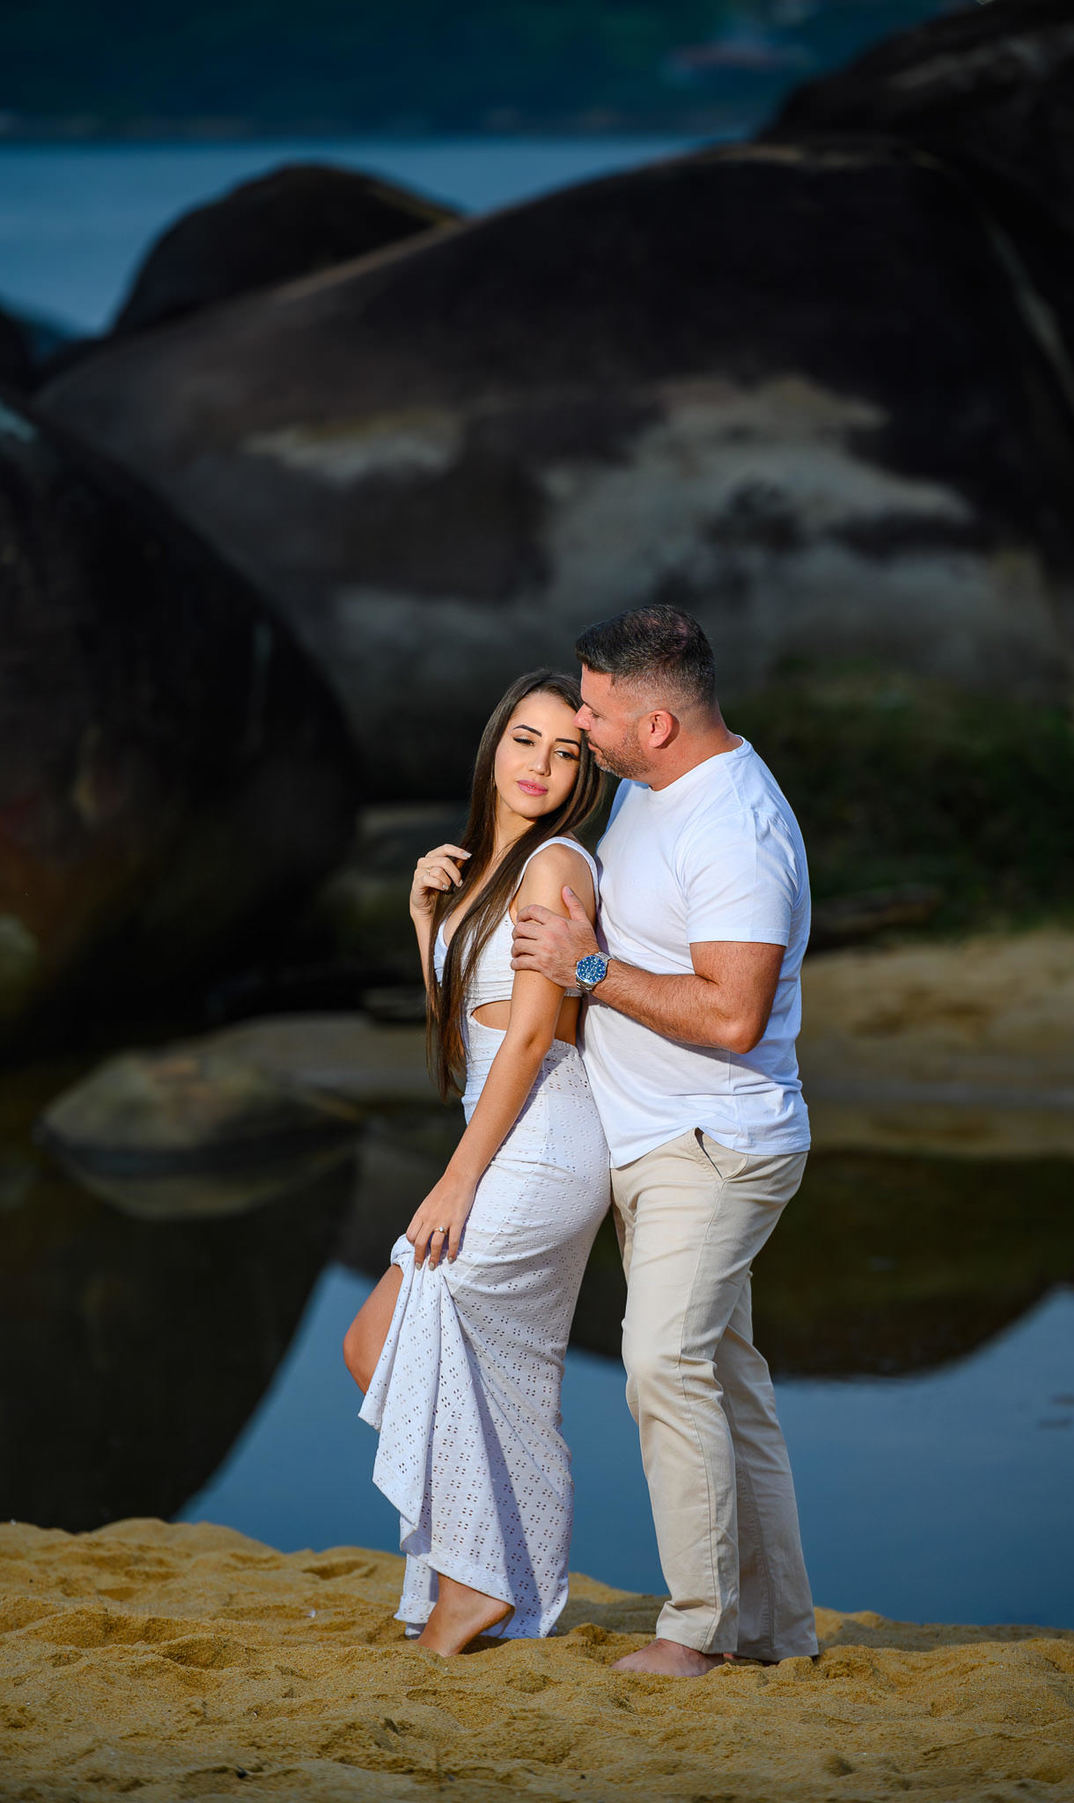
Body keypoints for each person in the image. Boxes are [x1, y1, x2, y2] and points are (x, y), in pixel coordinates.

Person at [512, 605, 818, 1677]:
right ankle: (781, 1636)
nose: (581, 725)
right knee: (728, 1387)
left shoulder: (732, 827)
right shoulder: (657, 790)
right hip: (657, 1141)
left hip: (715, 1141)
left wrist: (585, 971)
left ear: (656, 724)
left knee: (661, 1363)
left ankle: (695, 1631)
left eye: (594, 712)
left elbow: (734, 1015)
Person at [343, 669, 611, 1656]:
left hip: (539, 1139)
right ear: (494, 747)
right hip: (504, 1123)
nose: (542, 765)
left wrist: (456, 1177)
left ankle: (472, 1586)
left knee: (424, 1318)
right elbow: (472, 1033)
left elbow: (535, 1036)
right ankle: (521, 1595)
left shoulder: (557, 867)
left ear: (584, 774)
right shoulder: (493, 871)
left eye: (568, 751)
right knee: (415, 1352)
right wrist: (427, 926)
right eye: (527, 741)